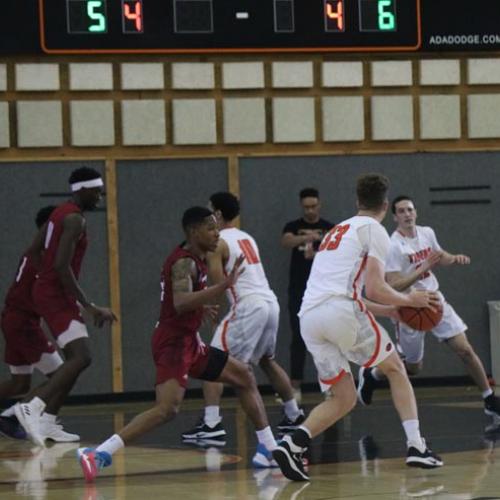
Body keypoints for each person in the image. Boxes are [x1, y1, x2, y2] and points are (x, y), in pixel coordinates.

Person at [77, 207, 285, 482]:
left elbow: (188, 300)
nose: (216, 233)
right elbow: (180, 302)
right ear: (193, 231)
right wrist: (221, 288)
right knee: (167, 409)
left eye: (217, 227)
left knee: (244, 376)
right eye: (210, 228)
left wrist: (203, 305)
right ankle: (98, 453)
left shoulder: (195, 260)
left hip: (189, 342)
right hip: (173, 344)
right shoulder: (183, 262)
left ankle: (267, 449)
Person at [272, 174, 443, 482]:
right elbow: (375, 288)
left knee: (343, 398)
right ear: (386, 205)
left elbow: (358, 295)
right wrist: (410, 299)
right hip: (340, 312)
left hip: (310, 318)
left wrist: (392, 308)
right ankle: (417, 446)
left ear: (357, 202)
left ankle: (293, 443)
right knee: (395, 368)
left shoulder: (338, 229)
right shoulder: (374, 230)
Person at [357, 195, 500, 420]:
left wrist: (454, 258)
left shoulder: (427, 233)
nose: (407, 214)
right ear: (394, 216)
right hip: (409, 306)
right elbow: (394, 284)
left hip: (434, 300)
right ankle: (373, 374)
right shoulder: (392, 245)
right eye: (402, 211)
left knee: (465, 349)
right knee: (414, 368)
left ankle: (489, 398)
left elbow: (438, 256)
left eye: (410, 210)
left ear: (416, 213)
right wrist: (421, 268)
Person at [181, 193, 304, 450]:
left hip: (248, 305)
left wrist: (209, 307)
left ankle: (212, 424)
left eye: (210, 211)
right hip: (270, 302)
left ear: (218, 214)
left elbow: (217, 282)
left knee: (212, 358)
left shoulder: (219, 242)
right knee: (266, 360)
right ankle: (294, 415)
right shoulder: (245, 236)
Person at [14, 167, 116, 447]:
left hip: (48, 291)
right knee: (81, 357)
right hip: (55, 294)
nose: (99, 196)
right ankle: (32, 407)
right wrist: (90, 306)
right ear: (82, 190)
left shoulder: (58, 214)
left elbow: (33, 251)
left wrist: (42, 279)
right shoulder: (74, 220)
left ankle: (47, 422)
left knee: (79, 357)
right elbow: (61, 265)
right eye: (96, 191)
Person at [0, 206, 78, 442]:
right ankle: (18, 413)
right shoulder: (44, 257)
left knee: (19, 382)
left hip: (15, 318)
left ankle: (14, 414)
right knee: (62, 374)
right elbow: (42, 294)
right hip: (23, 322)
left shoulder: (35, 253)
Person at [281, 188, 333, 401]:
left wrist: (318, 244)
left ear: (319, 204)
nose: (310, 210)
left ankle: (329, 384)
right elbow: (285, 242)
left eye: (313, 206)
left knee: (326, 338)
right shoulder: (292, 227)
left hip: (323, 290)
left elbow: (335, 250)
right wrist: (306, 237)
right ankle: (295, 388)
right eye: (306, 207)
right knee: (299, 338)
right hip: (298, 291)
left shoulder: (329, 228)